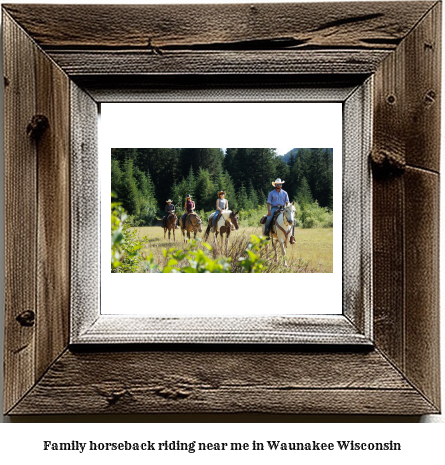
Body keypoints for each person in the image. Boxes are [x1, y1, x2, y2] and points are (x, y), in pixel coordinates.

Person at [264, 178, 296, 244]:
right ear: (275, 185)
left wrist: (290, 208)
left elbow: (288, 202)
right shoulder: (271, 193)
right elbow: (268, 202)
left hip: (283, 208)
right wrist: (269, 210)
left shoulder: (285, 193)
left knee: (293, 220)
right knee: (268, 218)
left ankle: (292, 237)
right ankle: (266, 234)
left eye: (280, 184)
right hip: (274, 208)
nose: (279, 185)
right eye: (278, 184)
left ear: (281, 185)